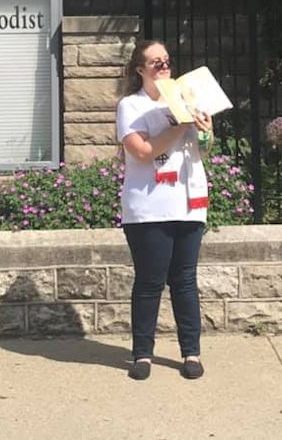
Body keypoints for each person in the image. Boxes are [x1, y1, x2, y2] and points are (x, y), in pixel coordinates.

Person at [116, 39, 213, 381]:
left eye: (167, 61)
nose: (163, 66)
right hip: (149, 206)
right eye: (155, 63)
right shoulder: (131, 105)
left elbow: (203, 148)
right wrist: (180, 124)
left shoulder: (187, 98)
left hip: (187, 202)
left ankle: (191, 352)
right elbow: (142, 151)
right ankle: (142, 354)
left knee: (184, 280)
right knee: (149, 281)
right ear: (140, 69)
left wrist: (203, 129)